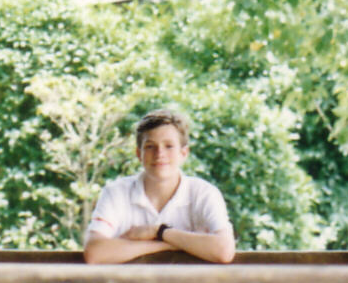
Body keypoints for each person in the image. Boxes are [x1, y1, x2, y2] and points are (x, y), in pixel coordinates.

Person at [83, 109, 235, 265]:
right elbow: (95, 253)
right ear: (138, 153)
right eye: (150, 146)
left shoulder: (204, 193)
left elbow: (224, 251)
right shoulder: (116, 192)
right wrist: (168, 244)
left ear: (184, 153)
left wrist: (159, 232)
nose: (159, 154)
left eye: (169, 146)